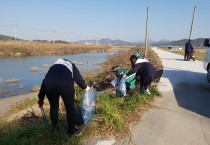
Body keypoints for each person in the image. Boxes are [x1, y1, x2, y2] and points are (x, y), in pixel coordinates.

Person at [38, 58, 90, 136]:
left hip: (50, 86)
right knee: (70, 109)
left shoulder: (52, 67)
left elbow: (44, 82)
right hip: (66, 85)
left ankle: (55, 130)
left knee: (54, 108)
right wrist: (85, 87)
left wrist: (41, 98)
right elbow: (77, 78)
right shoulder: (70, 65)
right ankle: (71, 132)